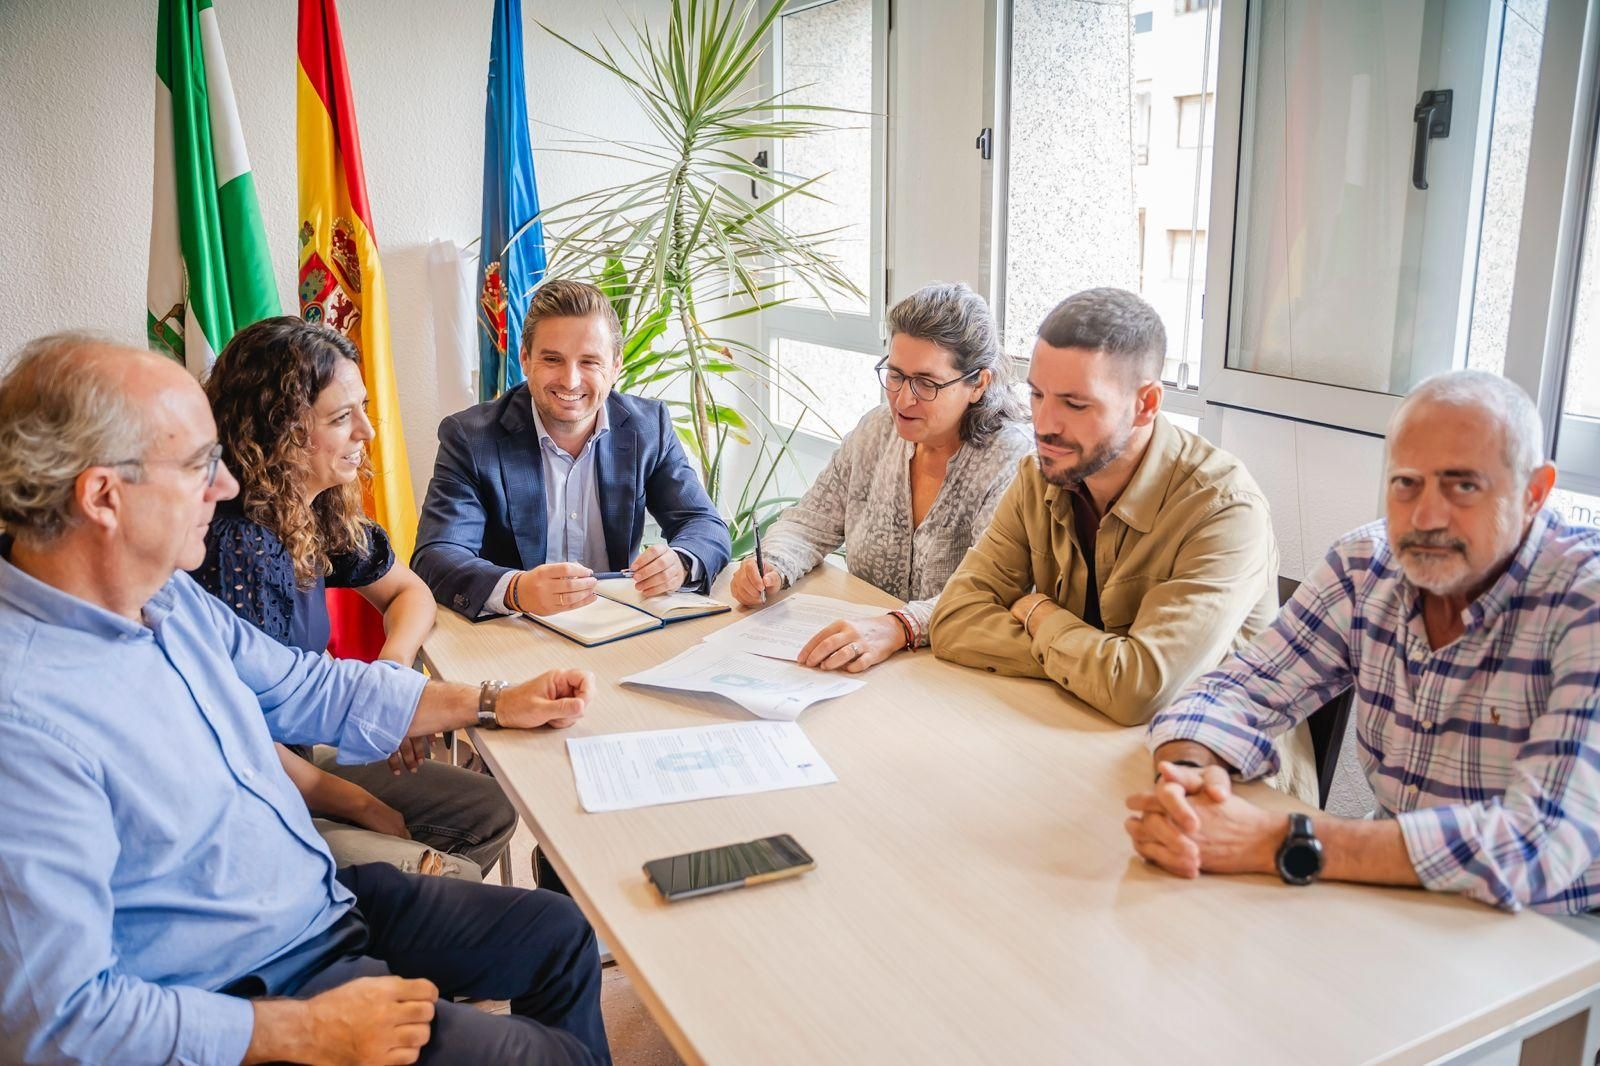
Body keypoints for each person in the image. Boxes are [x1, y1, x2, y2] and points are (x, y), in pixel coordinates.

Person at [0, 333, 611, 1065]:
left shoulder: (163, 599)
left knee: (558, 934)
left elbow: (304, 685)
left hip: (313, 907)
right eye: (199, 466)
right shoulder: (27, 721)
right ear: (103, 495)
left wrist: (491, 701)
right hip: (247, 986)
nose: (223, 487)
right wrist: (306, 1031)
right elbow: (56, 1023)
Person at [1128, 371, 1600, 915]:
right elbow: (1236, 690)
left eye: (1463, 485)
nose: (1425, 516)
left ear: (1534, 493)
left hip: (1559, 934)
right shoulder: (1366, 568)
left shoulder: (1583, 601)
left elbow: (1537, 844)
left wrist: (1276, 840)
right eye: (1407, 483)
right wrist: (1186, 782)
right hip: (1400, 899)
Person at [928, 287, 1314, 801]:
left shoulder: (1224, 508)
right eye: (1038, 395)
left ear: (1146, 403)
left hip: (1229, 796)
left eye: (1076, 403)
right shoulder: (1040, 475)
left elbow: (1139, 690)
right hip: (1082, 750)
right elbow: (953, 622)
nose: (1044, 424)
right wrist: (1096, 668)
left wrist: (1038, 613)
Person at [194, 317, 515, 881]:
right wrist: (360, 803)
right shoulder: (235, 545)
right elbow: (236, 739)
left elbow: (409, 592)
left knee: (490, 806)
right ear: (278, 430)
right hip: (251, 790)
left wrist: (390, 680)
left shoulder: (311, 504)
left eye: (362, 408)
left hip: (301, 755)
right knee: (449, 877)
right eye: (342, 418)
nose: (367, 430)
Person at [728, 282, 1032, 670]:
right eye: (895, 375)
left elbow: (989, 592)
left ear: (978, 384)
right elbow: (807, 523)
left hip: (956, 669)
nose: (904, 400)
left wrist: (900, 627)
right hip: (862, 657)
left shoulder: (1012, 459)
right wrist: (770, 566)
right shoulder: (877, 430)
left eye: (927, 383)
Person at [414, 277, 731, 620]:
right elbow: (438, 555)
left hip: (616, 624)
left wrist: (681, 562)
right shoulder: (471, 438)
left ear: (615, 367)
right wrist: (515, 589)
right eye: (552, 359)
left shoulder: (648, 426)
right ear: (525, 359)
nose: (570, 380)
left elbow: (703, 523)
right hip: (516, 630)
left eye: (589, 362)